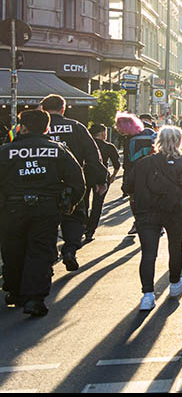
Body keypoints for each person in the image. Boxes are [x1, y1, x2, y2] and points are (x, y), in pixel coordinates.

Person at [0, 109, 86, 316]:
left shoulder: (5, 151)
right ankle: (34, 298)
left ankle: (15, 291)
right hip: (47, 208)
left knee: (13, 250)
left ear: (22, 127)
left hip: (12, 208)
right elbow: (78, 182)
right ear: (47, 128)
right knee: (40, 251)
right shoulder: (58, 150)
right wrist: (70, 204)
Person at [122, 125, 182, 311]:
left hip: (146, 212)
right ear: (180, 141)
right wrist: (179, 200)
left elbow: (128, 187)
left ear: (157, 141)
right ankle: (174, 283)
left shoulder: (143, 163)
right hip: (174, 212)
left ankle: (147, 295)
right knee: (175, 248)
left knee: (148, 253)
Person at [40, 94, 107, 272]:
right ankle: (69, 250)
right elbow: (93, 155)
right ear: (63, 108)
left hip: (43, 184)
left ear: (42, 109)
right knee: (75, 218)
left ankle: (49, 257)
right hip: (72, 183)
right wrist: (101, 178)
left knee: (46, 223)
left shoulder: (37, 127)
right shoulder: (76, 127)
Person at [83, 124, 121, 244]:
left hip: (86, 176)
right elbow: (117, 164)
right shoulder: (109, 147)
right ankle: (90, 230)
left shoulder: (85, 145)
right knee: (97, 205)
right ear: (102, 133)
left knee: (84, 202)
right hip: (101, 177)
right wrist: (113, 176)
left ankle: (84, 224)